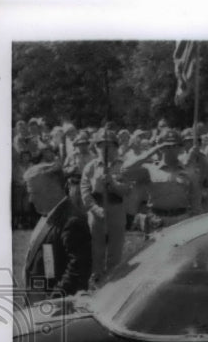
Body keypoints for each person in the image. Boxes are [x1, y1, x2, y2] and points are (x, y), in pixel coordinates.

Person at [21, 162, 92, 303]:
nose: (30, 199)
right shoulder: (50, 214)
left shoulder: (72, 221)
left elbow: (77, 272)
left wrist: (51, 303)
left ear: (53, 189)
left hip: (53, 308)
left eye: (34, 193)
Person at [121, 128, 201, 231]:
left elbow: (196, 200)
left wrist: (195, 222)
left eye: (175, 146)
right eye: (167, 146)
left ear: (180, 148)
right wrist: (150, 152)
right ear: (160, 148)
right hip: (156, 220)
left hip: (182, 219)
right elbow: (125, 171)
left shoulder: (189, 171)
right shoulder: (150, 169)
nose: (171, 149)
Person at [80, 128, 131, 285]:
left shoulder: (124, 166)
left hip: (116, 209)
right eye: (101, 145)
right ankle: (96, 280)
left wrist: (113, 183)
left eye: (109, 145)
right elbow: (85, 192)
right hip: (97, 211)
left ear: (116, 147)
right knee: (96, 250)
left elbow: (127, 189)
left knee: (115, 251)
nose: (105, 149)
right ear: (96, 147)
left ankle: (113, 282)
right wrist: (96, 209)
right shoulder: (91, 167)